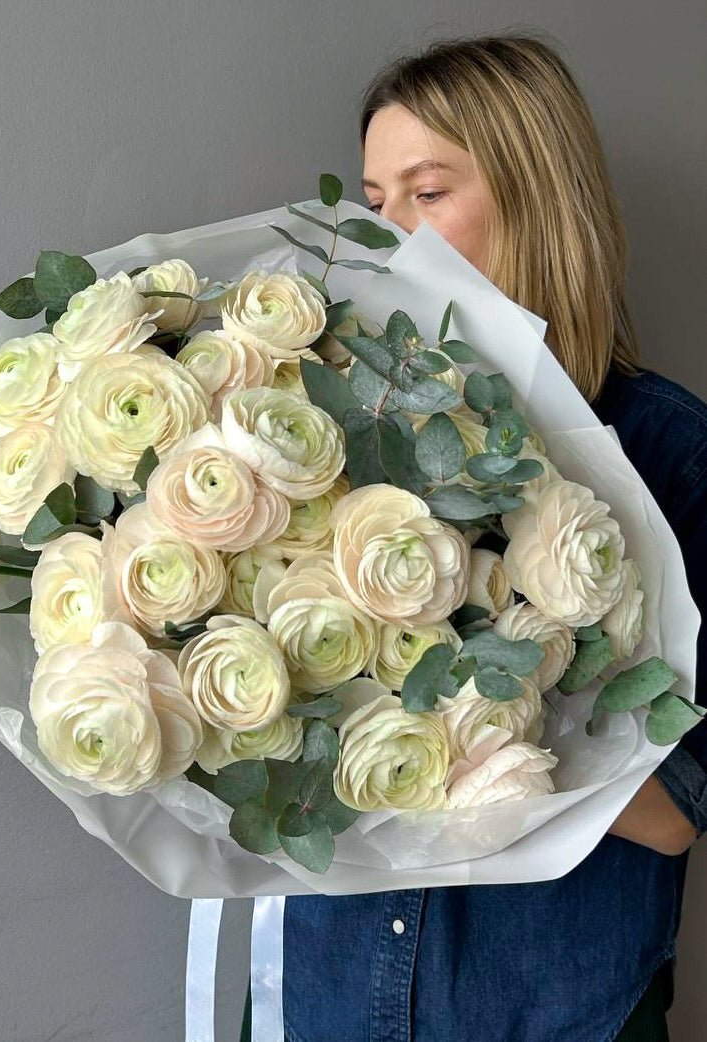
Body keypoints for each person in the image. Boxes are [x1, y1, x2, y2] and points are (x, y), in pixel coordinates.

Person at [237, 32, 707, 1042]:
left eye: (429, 190)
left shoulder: (673, 454)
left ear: (535, 196)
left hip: (554, 1012)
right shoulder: (321, 435)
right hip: (324, 999)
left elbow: (675, 812)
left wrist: (472, 660)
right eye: (374, 200)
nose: (389, 234)